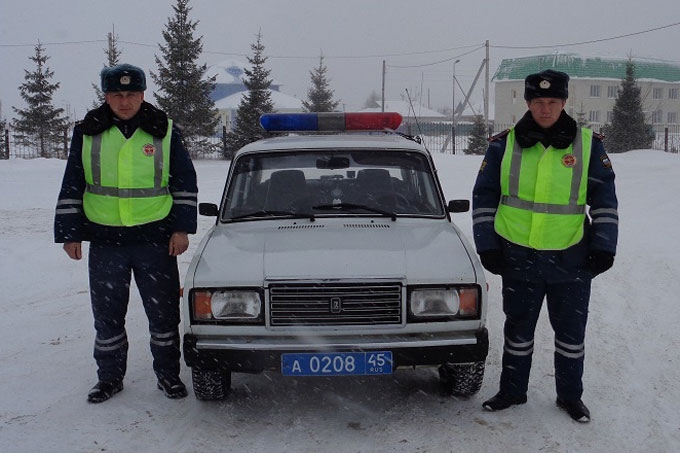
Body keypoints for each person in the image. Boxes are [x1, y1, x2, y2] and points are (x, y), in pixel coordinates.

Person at [472, 69, 618, 423]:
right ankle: (512, 391)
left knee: (571, 335)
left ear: (564, 102)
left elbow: (604, 199)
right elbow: (485, 195)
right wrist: (487, 245)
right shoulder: (503, 144)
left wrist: (604, 246)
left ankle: (570, 397)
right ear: (528, 103)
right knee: (518, 331)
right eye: (538, 101)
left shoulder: (588, 144)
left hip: (571, 259)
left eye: (553, 101)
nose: (545, 108)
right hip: (518, 255)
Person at [54, 63, 198, 403]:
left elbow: (184, 181)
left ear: (142, 94)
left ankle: (168, 375)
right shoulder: (88, 131)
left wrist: (181, 229)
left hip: (155, 240)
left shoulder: (164, 129)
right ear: (106, 96)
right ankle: (109, 377)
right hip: (106, 242)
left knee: (163, 316)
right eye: (116, 94)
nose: (124, 101)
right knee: (107, 317)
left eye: (131, 93)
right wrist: (69, 233)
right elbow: (73, 182)